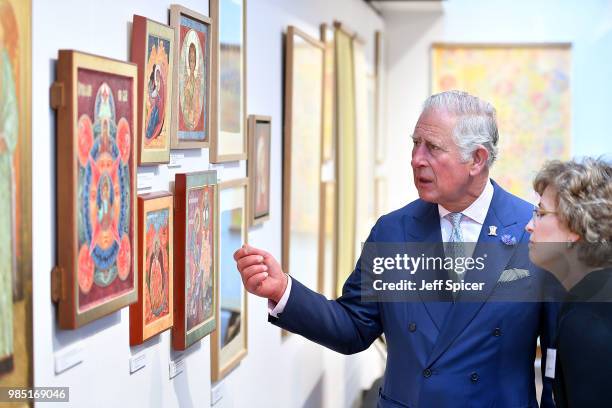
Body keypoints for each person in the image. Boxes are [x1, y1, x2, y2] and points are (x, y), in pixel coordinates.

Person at [234, 91, 558, 407]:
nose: (417, 159)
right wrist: (284, 291)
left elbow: (557, 360)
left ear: (477, 159)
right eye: (415, 144)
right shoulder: (394, 231)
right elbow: (353, 327)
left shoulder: (533, 231)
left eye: (432, 148)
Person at [526, 158, 612, 407]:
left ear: (575, 224)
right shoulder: (590, 298)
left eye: (540, 214)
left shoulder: (589, 321)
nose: (529, 226)